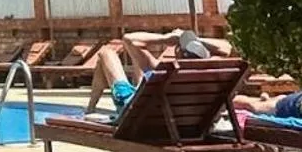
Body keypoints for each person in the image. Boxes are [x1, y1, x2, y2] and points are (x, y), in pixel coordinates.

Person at [85, 28, 234, 112]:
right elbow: (227, 48)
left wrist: (167, 38)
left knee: (106, 54)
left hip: (138, 112)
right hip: (185, 119)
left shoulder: (164, 71)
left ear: (178, 53)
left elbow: (129, 39)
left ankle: (90, 108)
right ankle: (90, 109)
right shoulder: (211, 70)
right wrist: (196, 41)